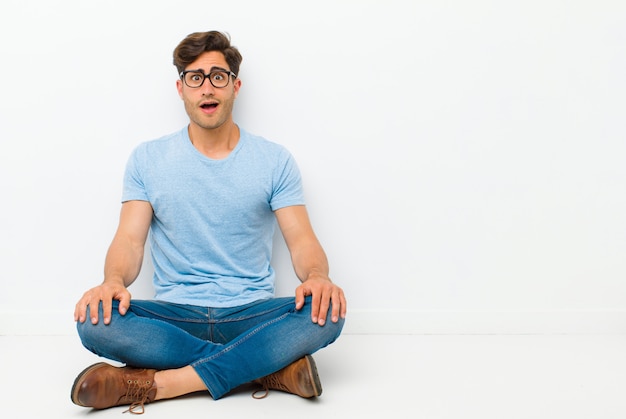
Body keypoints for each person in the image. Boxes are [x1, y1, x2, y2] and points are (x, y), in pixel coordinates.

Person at [70, 30, 347, 414]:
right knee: (94, 322)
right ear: (181, 88)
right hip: (175, 316)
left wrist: (317, 276)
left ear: (235, 85)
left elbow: (300, 239)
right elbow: (129, 241)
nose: (207, 88)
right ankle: (265, 369)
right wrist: (112, 282)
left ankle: (161, 385)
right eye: (195, 77)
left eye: (218, 76)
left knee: (327, 314)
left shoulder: (274, 160)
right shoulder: (147, 159)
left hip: (249, 312)